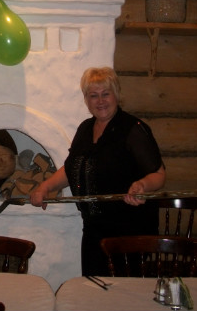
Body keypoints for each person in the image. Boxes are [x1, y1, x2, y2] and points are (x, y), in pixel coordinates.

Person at [30, 66, 166, 276]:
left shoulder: (133, 129)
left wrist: (142, 185)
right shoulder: (85, 128)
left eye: (105, 94)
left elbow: (159, 174)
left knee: (123, 292)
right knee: (93, 288)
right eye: (93, 95)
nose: (100, 101)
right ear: (86, 100)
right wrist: (45, 187)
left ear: (116, 94)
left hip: (129, 232)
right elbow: (72, 168)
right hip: (93, 230)